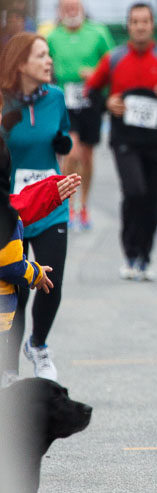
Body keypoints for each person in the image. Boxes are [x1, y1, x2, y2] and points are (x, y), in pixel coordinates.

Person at [84, 2, 157, 281]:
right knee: (134, 192)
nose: (140, 26)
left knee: (152, 201)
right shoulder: (115, 58)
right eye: (135, 21)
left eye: (145, 21)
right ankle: (130, 252)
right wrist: (108, 104)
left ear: (152, 25)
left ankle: (144, 256)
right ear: (128, 26)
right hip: (125, 140)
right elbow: (91, 92)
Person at [0, 33, 72, 382]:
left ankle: (39, 346)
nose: (49, 62)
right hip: (11, 210)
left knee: (50, 281)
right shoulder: (3, 102)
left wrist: (64, 141)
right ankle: (10, 369)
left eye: (49, 55)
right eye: (41, 56)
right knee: (16, 287)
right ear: (20, 63)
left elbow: (64, 135)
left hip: (51, 204)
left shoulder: (56, 97)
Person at [46, 0, 115, 231]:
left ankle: (83, 206)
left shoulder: (98, 33)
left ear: (82, 8)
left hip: (90, 101)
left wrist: (95, 75)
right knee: (71, 152)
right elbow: (44, 67)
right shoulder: (52, 37)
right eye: (67, 6)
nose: (72, 10)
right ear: (60, 10)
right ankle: (67, 205)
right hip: (64, 102)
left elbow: (112, 63)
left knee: (86, 156)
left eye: (75, 6)